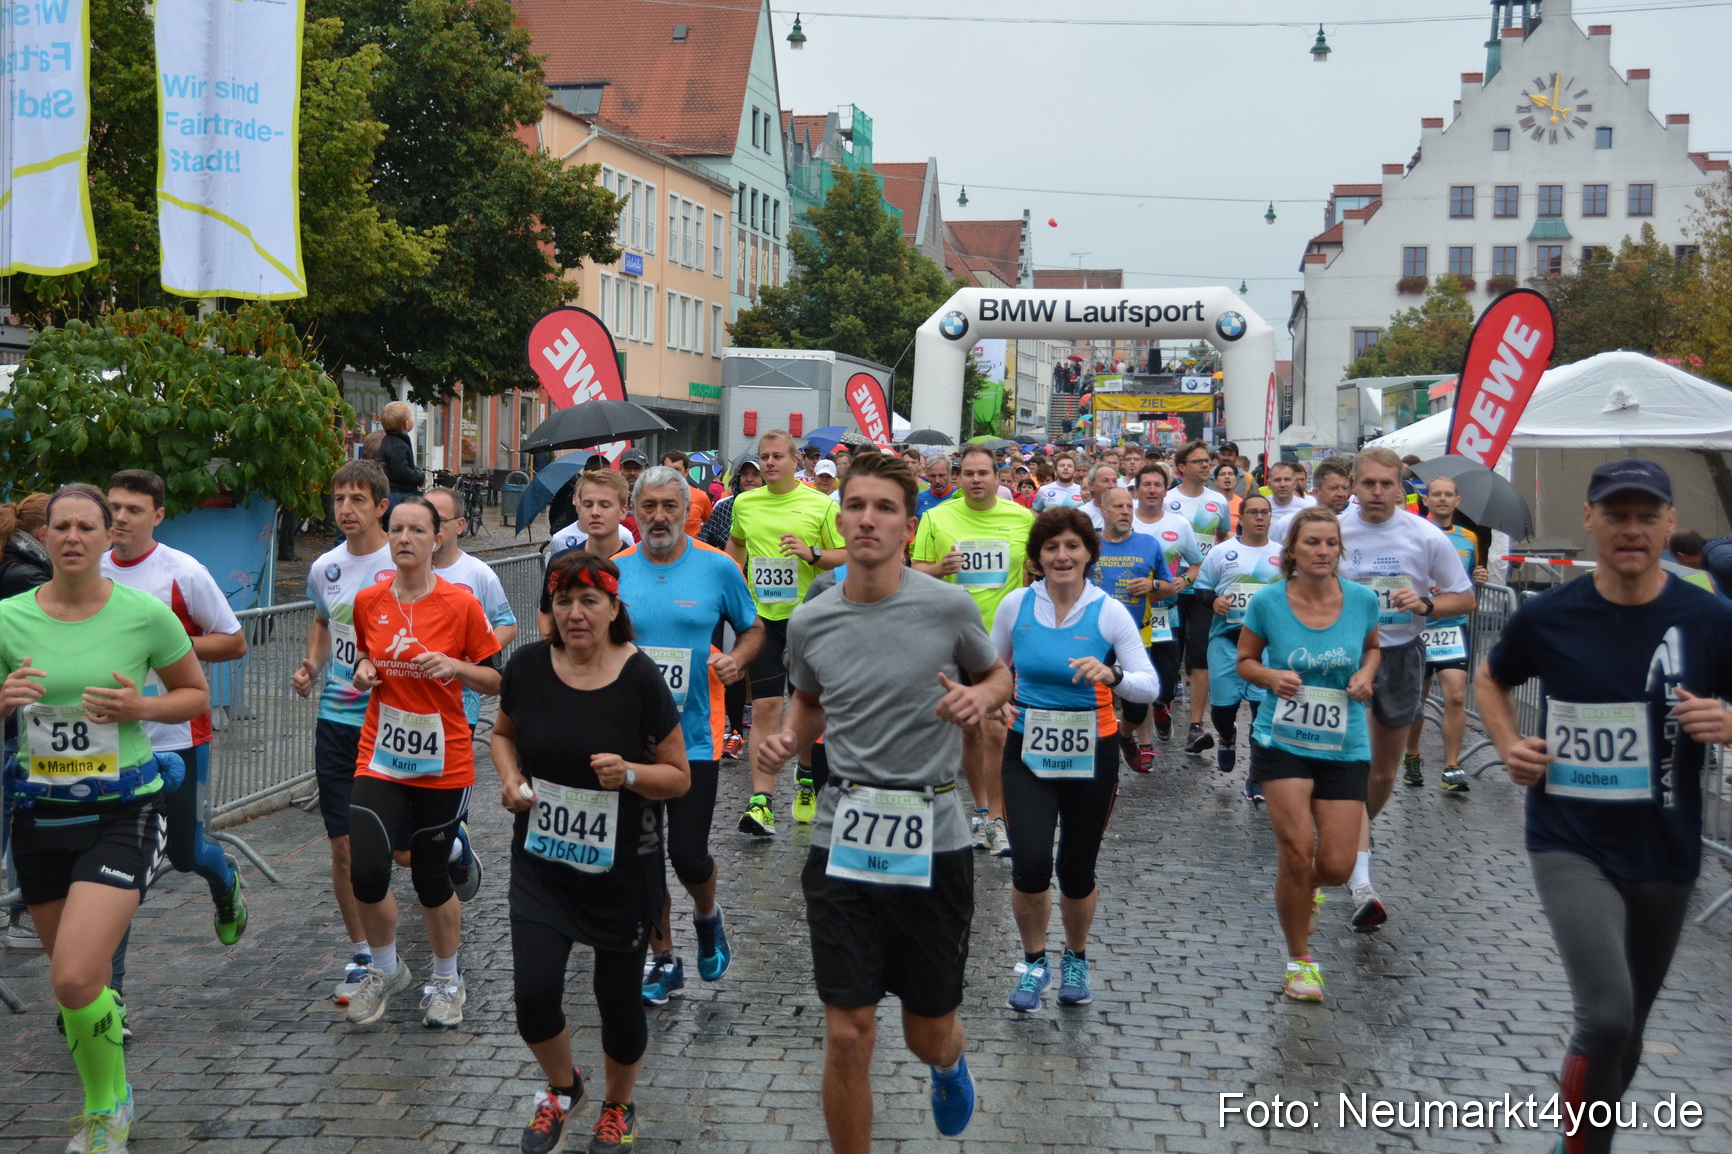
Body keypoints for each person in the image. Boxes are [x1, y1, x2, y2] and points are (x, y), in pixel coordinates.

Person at [753, 451, 1011, 1151]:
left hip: (936, 837)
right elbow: (808, 704)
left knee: (925, 1034)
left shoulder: (948, 607)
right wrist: (784, 741)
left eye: (884, 508)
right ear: (841, 517)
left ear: (908, 525)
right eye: (856, 505)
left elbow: (996, 675)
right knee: (846, 1034)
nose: (867, 518)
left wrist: (977, 697)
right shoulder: (812, 619)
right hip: (845, 836)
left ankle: (949, 1062)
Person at [1475, 459, 1732, 1154]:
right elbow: (1490, 680)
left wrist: (1729, 723)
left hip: (1667, 850)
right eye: (1616, 515)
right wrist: (1507, 746)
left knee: (1631, 1032)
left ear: (1671, 525)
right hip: (1570, 839)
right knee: (1608, 1016)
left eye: (1647, 516)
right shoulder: (1551, 615)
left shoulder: (1709, 618)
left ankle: (1583, 1144)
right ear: (1589, 520)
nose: (1631, 530)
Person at [1, 485, 210, 1151]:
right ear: (47, 537)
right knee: (78, 990)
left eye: (85, 526)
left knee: (71, 973)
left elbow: (193, 692)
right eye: (60, 526)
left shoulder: (143, 614)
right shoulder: (7, 617)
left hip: (125, 809)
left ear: (105, 536)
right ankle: (115, 1087)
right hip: (39, 815)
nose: (71, 537)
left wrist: (139, 710)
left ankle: (104, 1113)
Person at [491, 551, 689, 1154]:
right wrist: (508, 780)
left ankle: (618, 1105)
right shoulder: (525, 668)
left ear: (612, 608)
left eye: (589, 601)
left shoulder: (640, 678)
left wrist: (630, 773)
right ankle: (562, 1087)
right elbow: (502, 735)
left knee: (618, 1000)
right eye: (563, 601)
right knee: (533, 997)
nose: (575, 614)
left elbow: (678, 776)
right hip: (542, 865)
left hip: (621, 869)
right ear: (548, 607)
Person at [342, 497, 502, 1028]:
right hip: (381, 755)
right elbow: (367, 652)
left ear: (437, 539)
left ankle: (446, 980)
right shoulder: (368, 600)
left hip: (443, 761)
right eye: (397, 529)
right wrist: (365, 668)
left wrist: (455, 666)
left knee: (430, 878)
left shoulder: (459, 603)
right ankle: (386, 970)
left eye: (417, 530)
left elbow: (495, 678)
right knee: (365, 868)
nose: (404, 537)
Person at [994, 507, 1157, 1012]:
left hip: (1093, 753)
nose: (1061, 556)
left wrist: (1113, 678)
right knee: (1031, 863)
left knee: (1077, 867)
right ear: (1037, 557)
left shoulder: (1108, 611)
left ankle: (1076, 958)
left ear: (1089, 554)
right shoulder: (1016, 605)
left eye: (1071, 547)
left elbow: (1149, 684)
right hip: (1027, 750)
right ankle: (1034, 962)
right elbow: (992, 666)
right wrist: (997, 694)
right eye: (1051, 548)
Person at [616, 468, 763, 1006]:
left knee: (687, 855)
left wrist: (738, 661)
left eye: (668, 507)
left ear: (687, 511)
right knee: (643, 856)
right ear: (634, 511)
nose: (658, 517)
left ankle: (707, 914)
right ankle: (663, 958)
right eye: (648, 506)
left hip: (695, 736)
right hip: (632, 740)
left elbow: (752, 627)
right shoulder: (615, 572)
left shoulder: (718, 568)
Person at [102, 470, 250, 996]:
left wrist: (167, 647)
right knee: (113, 870)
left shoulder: (182, 572)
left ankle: (225, 879)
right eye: (114, 507)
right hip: (110, 742)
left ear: (158, 516)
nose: (119, 517)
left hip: (176, 737)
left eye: (132, 510)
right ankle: (110, 992)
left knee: (185, 853)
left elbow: (233, 642)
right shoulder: (88, 571)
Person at [1236, 507, 1381, 1002]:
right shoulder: (1268, 603)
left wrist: (1365, 675)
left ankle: (1303, 889)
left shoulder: (1362, 600)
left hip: (1345, 742)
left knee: (1336, 867)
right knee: (1297, 851)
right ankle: (1300, 960)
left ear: (1341, 550)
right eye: (1312, 543)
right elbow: (1245, 661)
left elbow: (1372, 649)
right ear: (1292, 551)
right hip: (1283, 740)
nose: (1322, 551)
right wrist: (1271, 677)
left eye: (1330, 543)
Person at [1336, 448, 1476, 931]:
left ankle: (1346, 835)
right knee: (1349, 766)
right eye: (1368, 483)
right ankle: (1360, 878)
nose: (1377, 492)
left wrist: (1428, 603)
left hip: (1401, 658)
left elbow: (1466, 596)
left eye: (1386, 484)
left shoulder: (1424, 535)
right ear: (1353, 483)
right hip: (1343, 660)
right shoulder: (1334, 530)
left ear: (1401, 487)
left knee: (1382, 774)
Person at [291, 459, 397, 1003]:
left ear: (382, 505)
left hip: (393, 722)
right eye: (338, 499)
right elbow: (322, 620)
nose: (345, 509)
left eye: (357, 499)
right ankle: (364, 952)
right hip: (337, 721)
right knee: (343, 847)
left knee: (400, 850)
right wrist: (312, 666)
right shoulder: (325, 567)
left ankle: (447, 841)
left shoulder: (399, 559)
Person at [911, 443, 1035, 857]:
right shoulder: (935, 517)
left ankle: (997, 818)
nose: (977, 480)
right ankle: (982, 811)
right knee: (971, 728)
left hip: (1003, 643)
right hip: (951, 639)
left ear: (999, 477)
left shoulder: (1022, 517)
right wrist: (939, 568)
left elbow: (1039, 568)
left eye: (985, 473)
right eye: (969, 473)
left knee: (998, 729)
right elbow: (913, 571)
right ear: (958, 478)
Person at [727, 429, 844, 836]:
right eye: (764, 456)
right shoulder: (745, 502)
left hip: (808, 620)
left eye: (778, 455)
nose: (770, 462)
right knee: (765, 707)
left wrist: (812, 554)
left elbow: (845, 555)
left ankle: (807, 778)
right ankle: (761, 802)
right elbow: (736, 547)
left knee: (807, 707)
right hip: (762, 621)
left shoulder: (821, 505)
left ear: (797, 460)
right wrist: (732, 585)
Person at [426, 485, 519, 898]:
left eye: (438, 520)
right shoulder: (402, 570)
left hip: (458, 703)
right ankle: (445, 849)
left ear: (459, 526)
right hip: (407, 707)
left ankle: (454, 849)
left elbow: (507, 623)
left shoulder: (476, 574)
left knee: (446, 800)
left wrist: (472, 654)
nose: (427, 527)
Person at [1401, 475, 1489, 791]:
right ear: (1426, 500)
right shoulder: (1413, 533)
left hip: (1452, 628)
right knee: (1418, 700)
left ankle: (1452, 765)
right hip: (1419, 627)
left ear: (1457, 501)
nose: (1441, 499)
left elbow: (1468, 581)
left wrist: (1479, 576)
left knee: (1455, 695)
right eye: (1435, 494)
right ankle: (1412, 754)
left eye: (1448, 494)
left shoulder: (1469, 537)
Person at [1193, 495, 1282, 797]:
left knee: (1262, 711)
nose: (1259, 517)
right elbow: (1202, 588)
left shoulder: (1283, 555)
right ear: (1240, 518)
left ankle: (1256, 775)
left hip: (1266, 647)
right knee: (1223, 709)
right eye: (1253, 512)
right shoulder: (1222, 552)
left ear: (1271, 518)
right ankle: (1227, 736)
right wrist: (1213, 601)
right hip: (1226, 641)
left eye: (1265, 512)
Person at [1091, 487, 1177, 774]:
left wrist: (1151, 586)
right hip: (1095, 635)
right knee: (1091, 696)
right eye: (1118, 507)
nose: (1126, 511)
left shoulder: (1148, 544)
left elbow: (1168, 585)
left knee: (1138, 705)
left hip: (1136, 635)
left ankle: (1124, 734)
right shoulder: (1089, 545)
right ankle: (1093, 753)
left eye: (1129, 506)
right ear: (1103, 510)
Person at [0, 493, 50, 949]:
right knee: (18, 818)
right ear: (43, 534)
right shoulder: (26, 577)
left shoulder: (16, 565)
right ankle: (22, 914)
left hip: (19, 723)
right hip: (20, 723)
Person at [1129, 462, 1201, 748]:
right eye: (1146, 484)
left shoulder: (1179, 524)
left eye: (1158, 485)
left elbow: (1196, 563)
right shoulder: (1126, 521)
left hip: (1165, 612)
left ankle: (1162, 706)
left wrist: (1185, 579)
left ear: (1166, 490)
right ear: (1136, 490)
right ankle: (1140, 737)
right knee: (1137, 674)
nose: (1152, 490)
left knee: (1169, 680)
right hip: (1131, 613)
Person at [1165, 442, 1230, 754]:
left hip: (1205, 588)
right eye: (1199, 462)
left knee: (1200, 654)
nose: (1206, 466)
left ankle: (1195, 726)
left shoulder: (1219, 501)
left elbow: (1226, 540)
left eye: (1208, 461)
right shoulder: (1168, 500)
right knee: (1171, 656)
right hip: (1172, 589)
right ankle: (1162, 705)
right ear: (1182, 467)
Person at [377, 401, 425, 514]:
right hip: (399, 494)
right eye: (411, 416)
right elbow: (401, 471)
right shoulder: (398, 445)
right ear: (406, 424)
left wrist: (415, 470)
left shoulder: (390, 440)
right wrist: (420, 478)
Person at [659, 449, 713, 536]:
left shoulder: (701, 497)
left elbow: (712, 528)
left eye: (677, 469)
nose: (673, 473)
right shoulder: (654, 496)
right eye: (668, 469)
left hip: (693, 548)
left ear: (686, 472)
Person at [1265, 460, 1317, 547]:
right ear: (1269, 484)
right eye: (1277, 480)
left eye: (1287, 480)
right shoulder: (1262, 507)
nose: (1282, 484)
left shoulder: (1307, 509)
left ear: (1294, 483)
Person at [915, 453, 958, 518]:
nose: (937, 481)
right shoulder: (918, 500)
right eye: (932, 476)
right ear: (926, 474)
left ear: (950, 473)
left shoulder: (960, 499)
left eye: (941, 475)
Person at [1080, 463, 1117, 534]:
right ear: (1091, 486)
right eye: (1105, 481)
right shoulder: (1081, 514)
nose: (1111, 485)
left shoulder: (1130, 508)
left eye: (1114, 481)